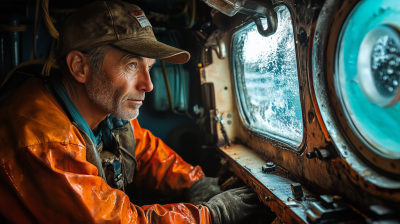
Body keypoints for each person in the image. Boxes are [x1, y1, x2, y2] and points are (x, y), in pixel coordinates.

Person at [0, 1, 265, 223]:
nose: (147, 85)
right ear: (80, 67)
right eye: (131, 65)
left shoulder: (105, 111)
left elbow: (144, 151)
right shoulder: (42, 140)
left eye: (148, 67)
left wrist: (195, 183)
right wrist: (212, 216)